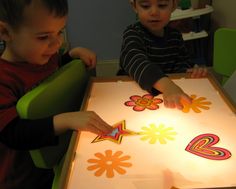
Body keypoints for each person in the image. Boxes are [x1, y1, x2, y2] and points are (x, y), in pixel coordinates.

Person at [0, 0, 113, 189]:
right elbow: (13, 133)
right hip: (22, 177)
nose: (56, 43)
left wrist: (70, 56)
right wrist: (66, 120)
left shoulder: (45, 55)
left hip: (58, 156)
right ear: (5, 33)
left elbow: (52, 76)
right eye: (43, 37)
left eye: (59, 32)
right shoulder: (4, 79)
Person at [118, 0, 207, 110]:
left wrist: (192, 70)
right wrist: (167, 86)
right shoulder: (132, 33)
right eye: (145, 6)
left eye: (162, 5)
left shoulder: (175, 35)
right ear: (135, 7)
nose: (154, 12)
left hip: (166, 99)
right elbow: (135, 61)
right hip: (131, 95)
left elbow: (181, 64)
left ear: (173, 6)